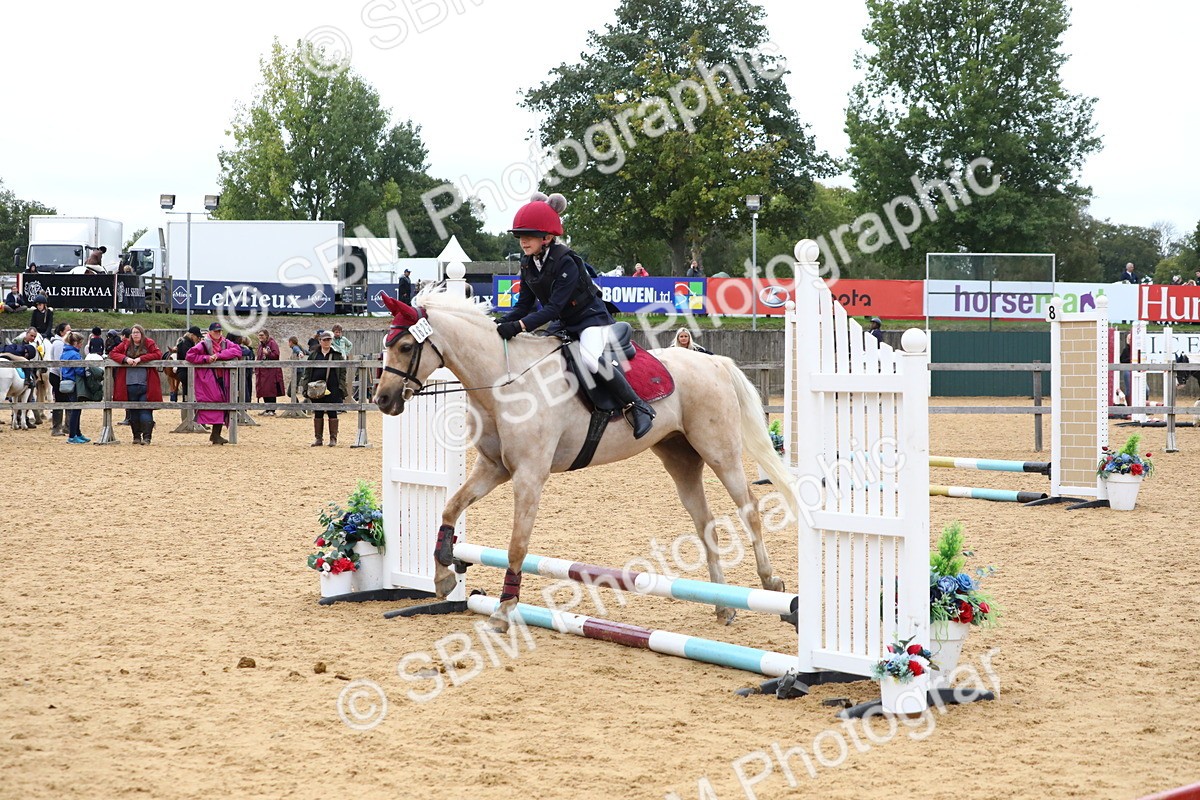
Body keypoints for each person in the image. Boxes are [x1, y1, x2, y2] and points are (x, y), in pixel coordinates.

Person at [496, 191, 654, 438]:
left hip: (591, 320)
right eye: (520, 237)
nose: (523, 241)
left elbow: (552, 309)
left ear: (547, 237)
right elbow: (524, 306)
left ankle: (638, 407)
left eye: (529, 236)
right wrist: (499, 323)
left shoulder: (566, 261)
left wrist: (518, 326)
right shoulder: (527, 263)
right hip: (565, 323)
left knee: (590, 360)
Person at [186, 322, 242, 445]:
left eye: (220, 331)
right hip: (209, 379)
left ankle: (216, 435)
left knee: (223, 402)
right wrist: (206, 358)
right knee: (215, 402)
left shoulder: (226, 343)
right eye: (216, 331)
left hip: (223, 378)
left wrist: (219, 355)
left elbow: (237, 350)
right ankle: (215, 434)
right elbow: (190, 355)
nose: (218, 333)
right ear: (210, 332)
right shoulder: (203, 344)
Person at [109, 324, 163, 445]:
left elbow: (157, 354)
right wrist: (125, 359)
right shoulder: (125, 344)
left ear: (142, 333)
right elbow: (113, 353)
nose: (135, 334)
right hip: (129, 383)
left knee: (145, 410)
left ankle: (147, 437)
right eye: (133, 332)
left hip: (146, 384)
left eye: (137, 332)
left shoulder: (149, 343)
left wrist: (141, 359)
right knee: (133, 411)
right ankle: (136, 436)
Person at [302, 330, 346, 446]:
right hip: (316, 387)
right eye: (325, 340)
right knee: (318, 412)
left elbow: (342, 372)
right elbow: (307, 372)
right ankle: (318, 439)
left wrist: (341, 387)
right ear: (320, 341)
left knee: (332, 412)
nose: (327, 342)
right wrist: (306, 386)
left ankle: (333, 439)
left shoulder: (337, 355)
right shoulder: (314, 355)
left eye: (329, 340)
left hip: (333, 386)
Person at [60, 332, 88, 444]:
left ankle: (78, 433)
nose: (81, 345)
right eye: (80, 343)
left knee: (75, 409)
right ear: (75, 342)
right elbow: (79, 370)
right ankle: (72, 435)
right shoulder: (75, 355)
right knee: (76, 410)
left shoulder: (64, 353)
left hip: (67, 382)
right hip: (75, 383)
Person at [254, 329, 286, 414]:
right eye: (259, 335)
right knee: (264, 390)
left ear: (266, 336)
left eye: (262, 335)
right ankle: (267, 408)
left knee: (271, 390)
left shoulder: (272, 344)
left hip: (271, 371)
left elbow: (276, 355)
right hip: (262, 372)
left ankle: (272, 409)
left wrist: (268, 353)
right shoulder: (261, 345)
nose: (260, 337)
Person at [48, 322, 71, 436]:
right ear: (62, 332)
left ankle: (67, 426)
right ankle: (56, 427)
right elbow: (59, 362)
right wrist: (64, 378)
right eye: (68, 330)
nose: (70, 332)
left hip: (60, 374)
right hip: (58, 375)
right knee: (60, 400)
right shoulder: (58, 344)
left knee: (65, 400)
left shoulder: (62, 343)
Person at [174, 326, 202, 402]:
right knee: (188, 391)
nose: (198, 339)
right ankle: (187, 407)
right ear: (192, 335)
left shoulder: (186, 342)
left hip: (185, 371)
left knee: (187, 391)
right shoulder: (185, 343)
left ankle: (186, 407)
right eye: (197, 336)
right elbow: (189, 356)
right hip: (185, 371)